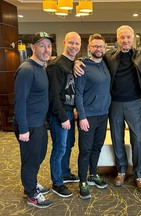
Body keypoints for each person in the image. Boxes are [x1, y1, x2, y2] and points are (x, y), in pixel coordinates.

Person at [74, 25, 141, 193]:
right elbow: (92, 60)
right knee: (117, 138)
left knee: (137, 139)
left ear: (133, 38)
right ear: (117, 40)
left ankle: (139, 175)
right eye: (122, 37)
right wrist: (76, 61)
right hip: (114, 104)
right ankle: (122, 171)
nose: (125, 40)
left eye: (128, 37)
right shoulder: (109, 56)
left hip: (134, 104)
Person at [14, 31, 55, 208]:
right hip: (28, 125)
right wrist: (23, 129)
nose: (46, 49)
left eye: (49, 45)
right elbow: (20, 101)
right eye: (41, 45)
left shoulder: (41, 67)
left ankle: (30, 184)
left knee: (38, 156)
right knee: (31, 160)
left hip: (39, 123)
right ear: (33, 47)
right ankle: (31, 194)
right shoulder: (26, 70)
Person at [75, 34, 111, 200]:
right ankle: (82, 181)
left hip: (103, 115)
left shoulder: (105, 63)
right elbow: (78, 93)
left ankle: (93, 174)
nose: (98, 49)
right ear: (89, 48)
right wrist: (81, 116)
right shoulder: (83, 66)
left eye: (101, 46)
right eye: (95, 46)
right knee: (85, 150)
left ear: (104, 48)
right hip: (87, 116)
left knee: (97, 147)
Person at [46, 32, 82, 198]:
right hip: (59, 114)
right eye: (71, 43)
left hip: (69, 111)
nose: (74, 46)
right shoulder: (56, 65)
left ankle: (65, 173)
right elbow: (53, 95)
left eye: (77, 44)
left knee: (68, 145)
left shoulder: (72, 63)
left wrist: (73, 109)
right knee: (59, 148)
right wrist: (62, 116)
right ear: (64, 42)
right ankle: (57, 183)